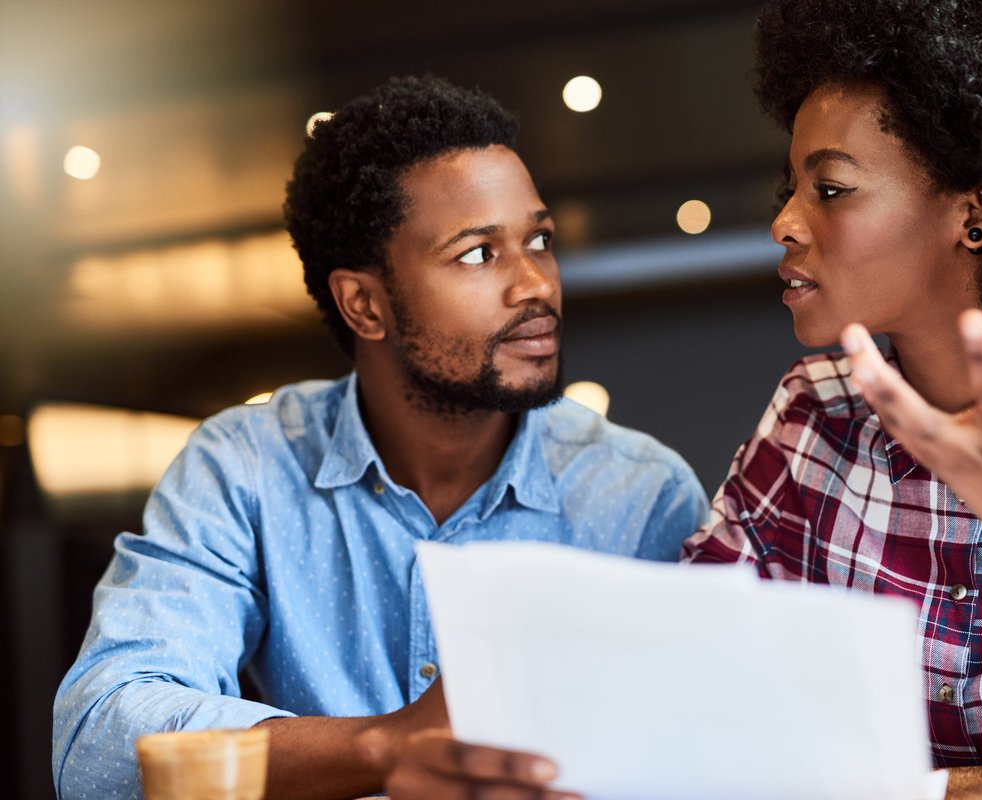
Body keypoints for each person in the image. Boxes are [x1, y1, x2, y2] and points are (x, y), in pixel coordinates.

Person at [368, 2, 982, 799]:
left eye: (831, 189)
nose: (786, 223)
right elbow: (691, 692)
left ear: (975, 212)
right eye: (790, 189)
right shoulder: (812, 422)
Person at [52, 75, 707, 800]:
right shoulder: (246, 465)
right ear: (364, 305)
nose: (537, 286)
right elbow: (101, 742)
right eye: (478, 254)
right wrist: (381, 748)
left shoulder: (641, 495)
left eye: (539, 240)